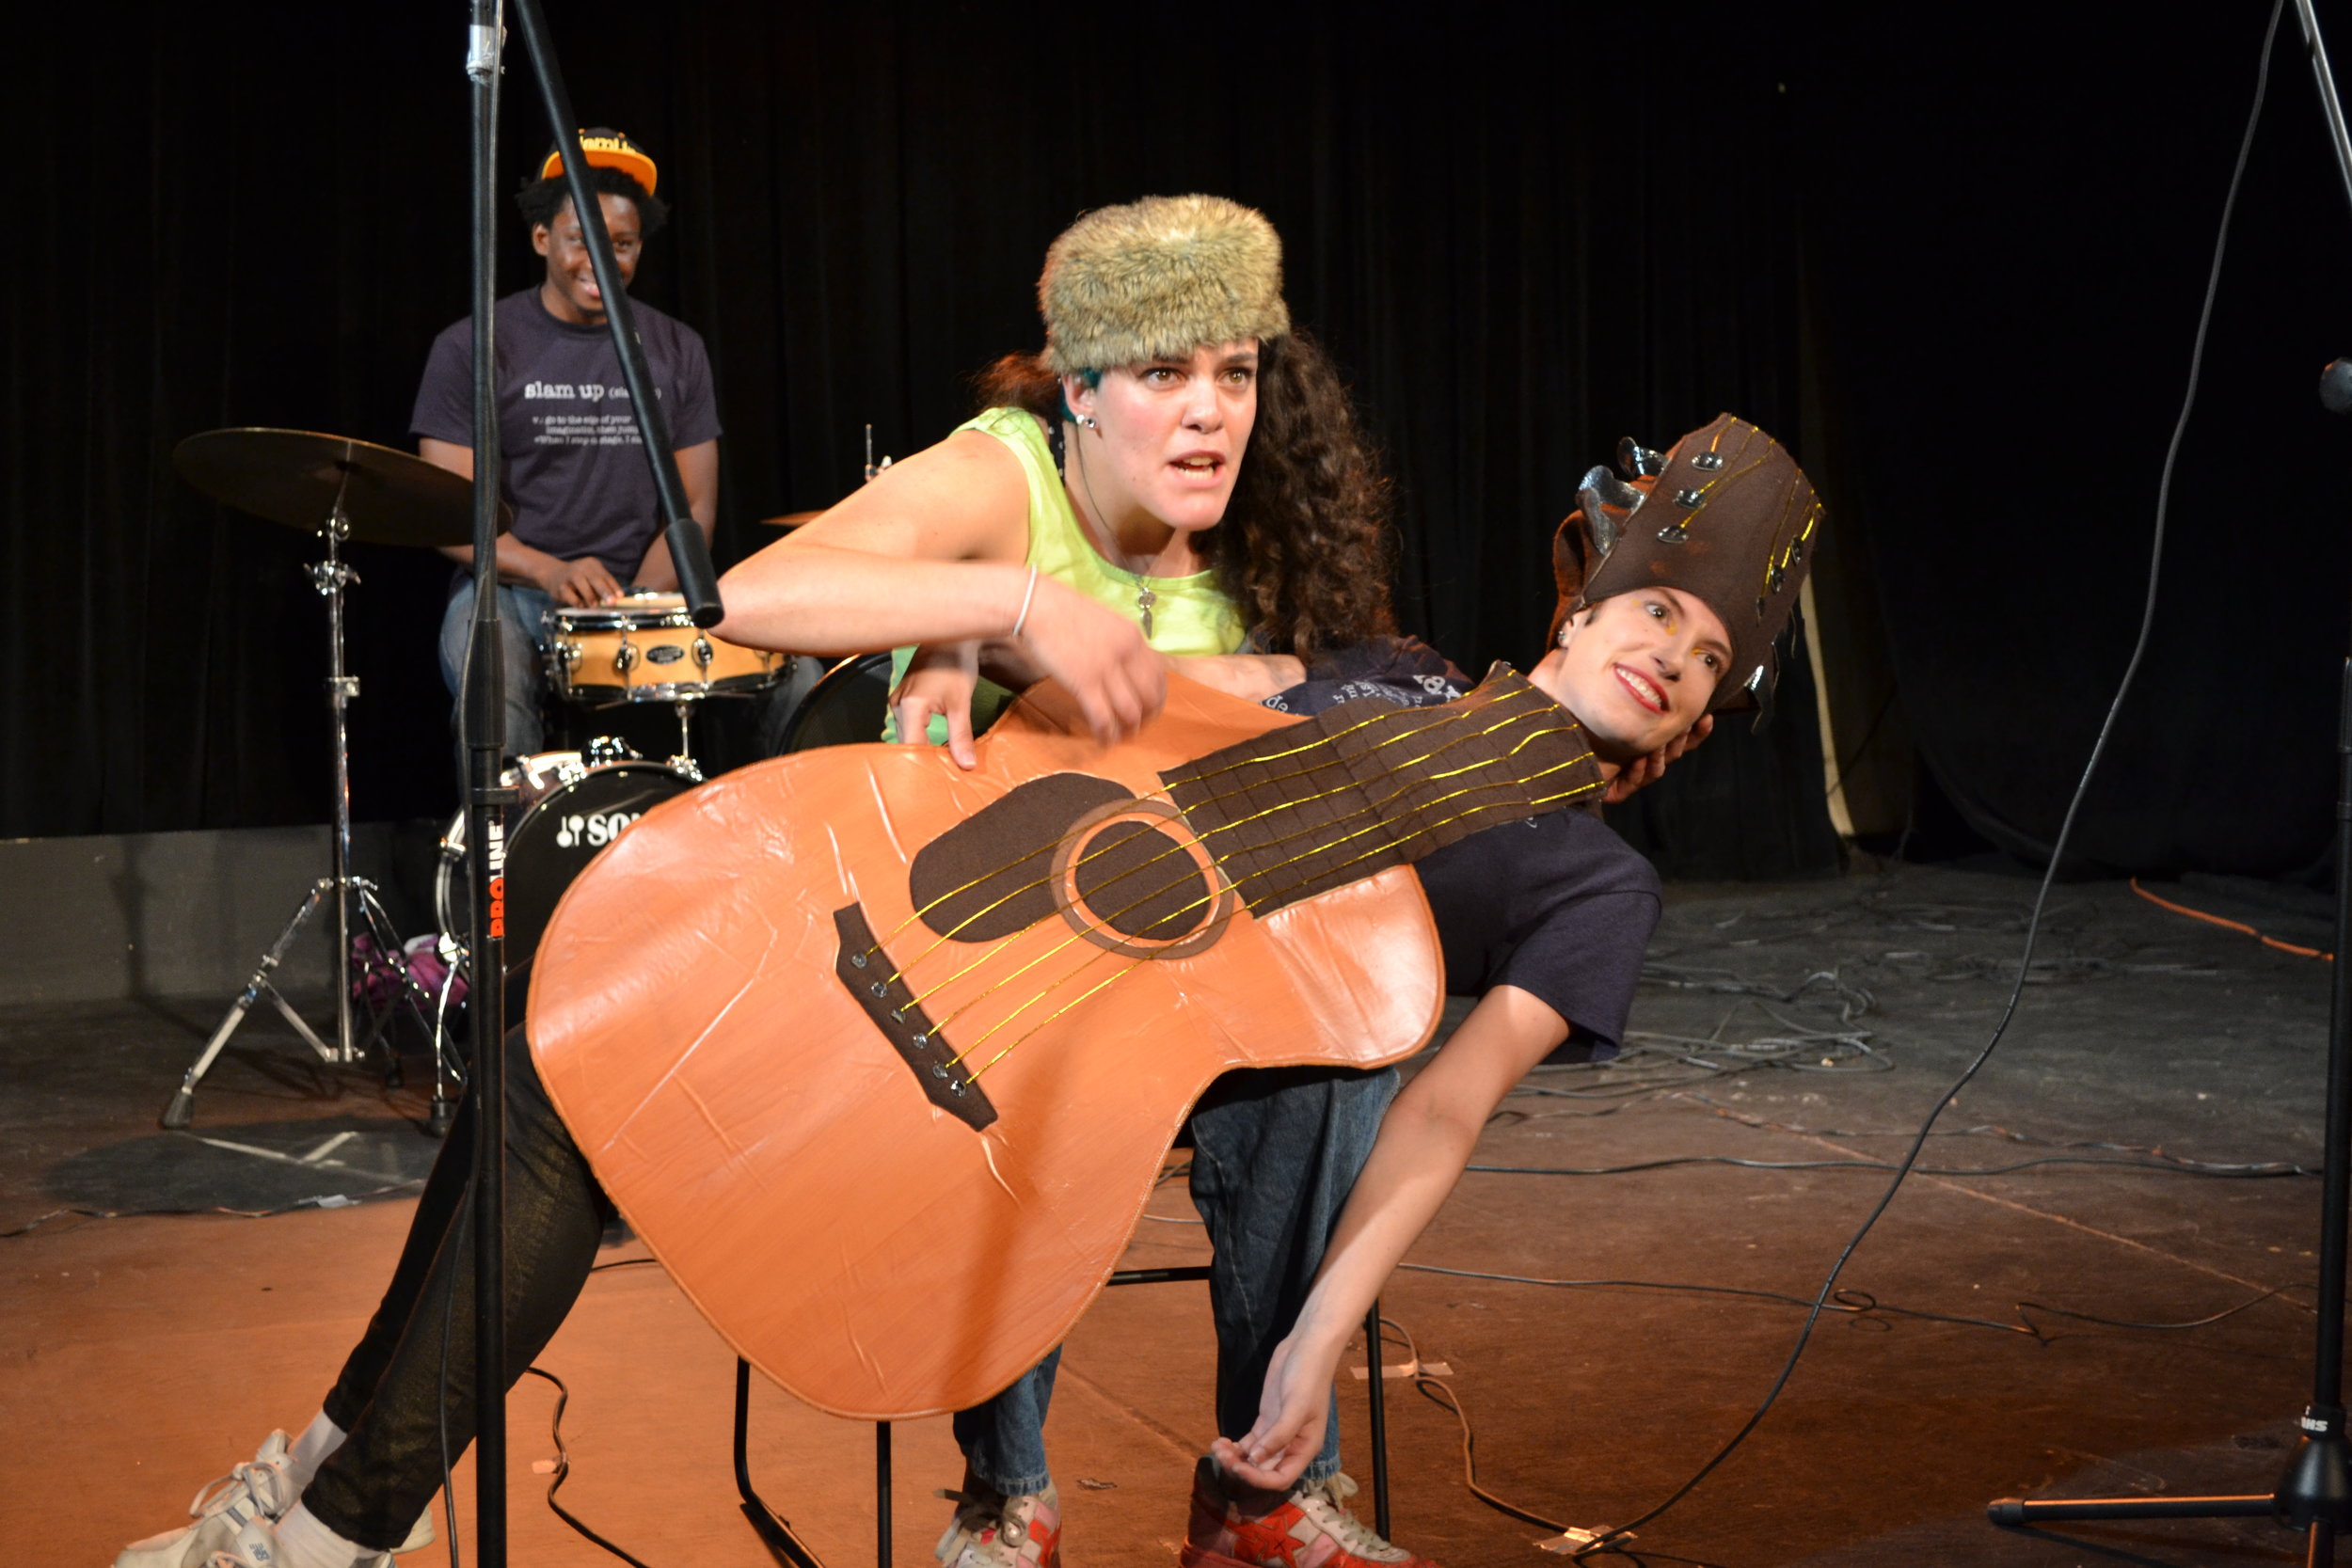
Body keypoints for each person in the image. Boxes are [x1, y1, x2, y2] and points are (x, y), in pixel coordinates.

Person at [108, 193, 1405, 1568]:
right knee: (569, 1058)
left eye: (1236, 374)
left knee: (1339, 1058)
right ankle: (340, 1490)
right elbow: (760, 590)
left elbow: (1357, 738)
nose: (1211, 413)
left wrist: (1246, 685)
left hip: (1151, 1018)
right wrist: (999, 608)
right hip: (926, 1000)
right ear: (1081, 386)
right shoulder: (1008, 475)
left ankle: (1261, 1490)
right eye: (1164, 373)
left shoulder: (1273, 551)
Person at [1176, 416, 1824, 1567]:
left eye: (1711, 661)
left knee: (1348, 1063)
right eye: (1660, 612)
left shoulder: (1599, 885)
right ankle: (1016, 1493)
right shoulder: (1401, 669)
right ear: (1578, 612)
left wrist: (1317, 1341)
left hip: (1260, 1060)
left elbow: (1444, 1108)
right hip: (1126, 916)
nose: (1676, 658)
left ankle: (1262, 1486)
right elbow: (1204, 692)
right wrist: (995, 651)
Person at [414, 128, 721, 761]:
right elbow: (449, 513)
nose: (603, 263)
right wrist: (550, 571)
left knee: (788, 673)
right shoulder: (473, 345)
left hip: (643, 591)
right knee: (490, 678)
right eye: (583, 242)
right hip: (512, 590)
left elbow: (693, 509)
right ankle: (507, 853)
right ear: (541, 240)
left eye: (624, 245)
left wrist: (632, 606)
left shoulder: (678, 349)